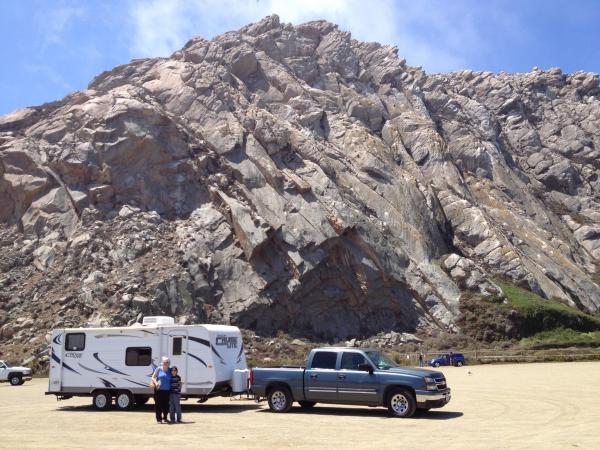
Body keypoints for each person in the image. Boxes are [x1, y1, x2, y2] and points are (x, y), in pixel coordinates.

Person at [151, 356, 172, 423]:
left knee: (166, 405)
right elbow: (153, 377)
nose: (166, 363)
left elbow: (174, 377)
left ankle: (165, 418)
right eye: (165, 362)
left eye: (168, 362)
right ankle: (159, 419)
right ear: (162, 363)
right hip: (159, 390)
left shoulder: (170, 370)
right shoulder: (159, 369)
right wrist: (156, 383)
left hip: (167, 391)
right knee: (158, 405)